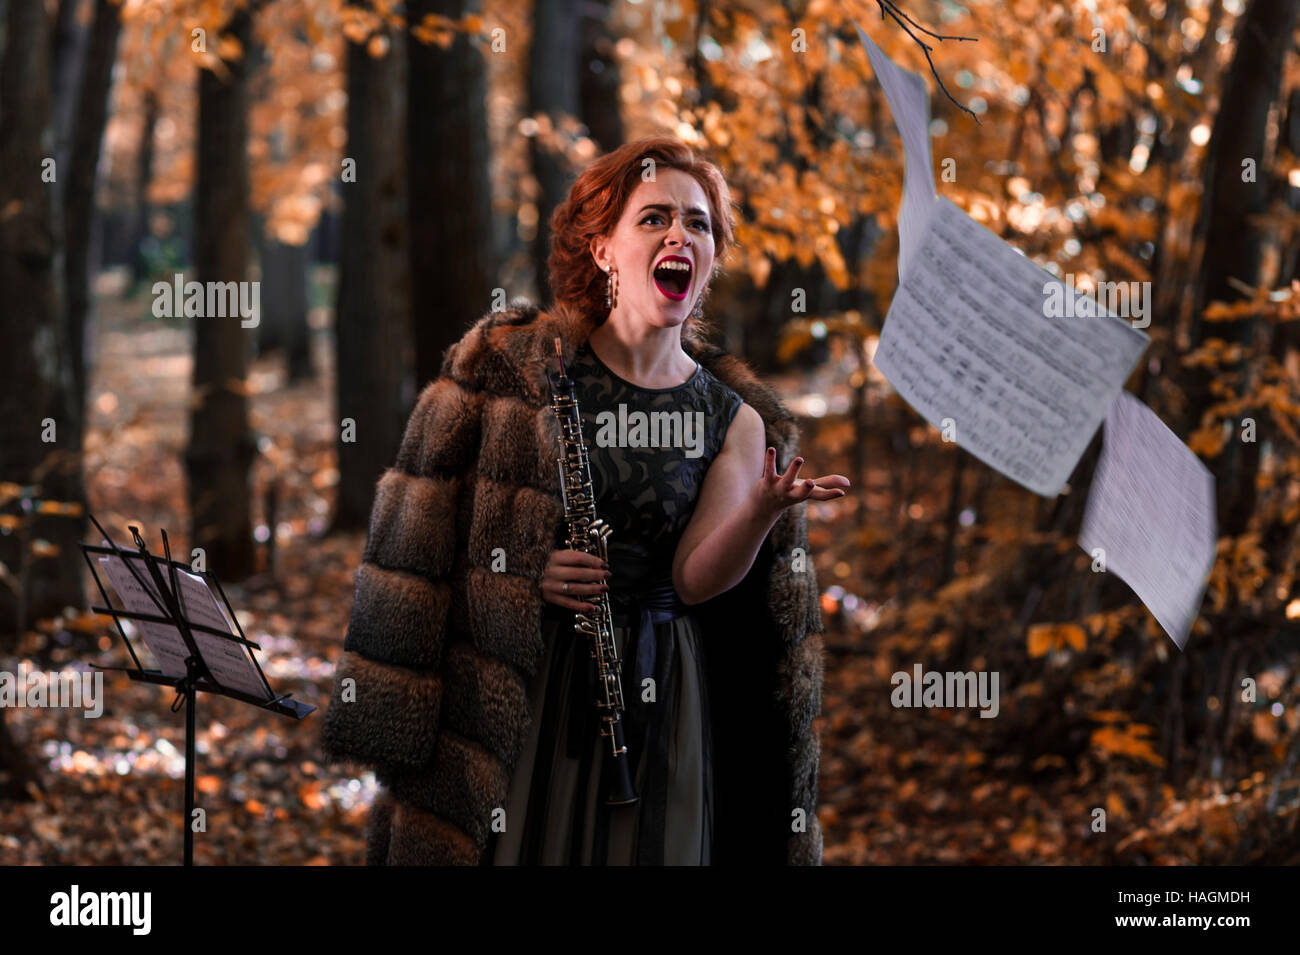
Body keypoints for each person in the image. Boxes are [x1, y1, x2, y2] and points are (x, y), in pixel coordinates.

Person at [320, 135, 848, 866]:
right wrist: (523, 577)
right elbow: (419, 540)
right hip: (533, 685)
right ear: (602, 249)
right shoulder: (514, 373)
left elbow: (695, 577)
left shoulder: (735, 418)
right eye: (654, 217)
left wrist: (761, 510)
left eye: (697, 224)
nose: (679, 235)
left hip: (665, 690)